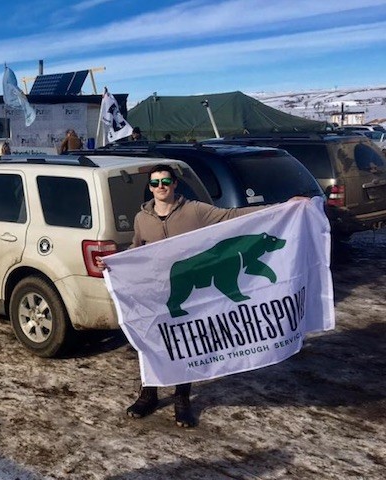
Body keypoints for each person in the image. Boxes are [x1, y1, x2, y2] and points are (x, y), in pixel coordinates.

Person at [96, 164, 308, 428]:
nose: (160, 187)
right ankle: (147, 394)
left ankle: (182, 399)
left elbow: (233, 215)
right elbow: (136, 249)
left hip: (192, 285)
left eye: (165, 181)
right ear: (149, 188)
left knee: (184, 344)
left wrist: (284, 207)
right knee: (151, 342)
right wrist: (115, 263)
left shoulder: (194, 211)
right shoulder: (142, 218)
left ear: (174, 184)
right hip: (155, 290)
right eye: (155, 183)